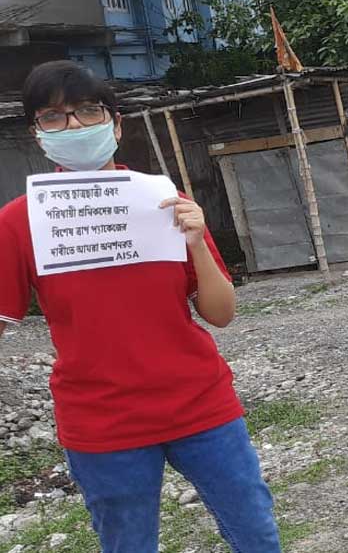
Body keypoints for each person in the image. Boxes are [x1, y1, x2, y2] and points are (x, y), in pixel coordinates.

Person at [0, 61, 280, 552]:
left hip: (201, 403)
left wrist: (195, 241)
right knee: (128, 544)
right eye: (54, 117)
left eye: (89, 111)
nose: (75, 126)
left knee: (255, 532)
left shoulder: (165, 200)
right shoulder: (20, 222)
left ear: (116, 122)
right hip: (102, 420)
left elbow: (220, 313)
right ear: (37, 134)